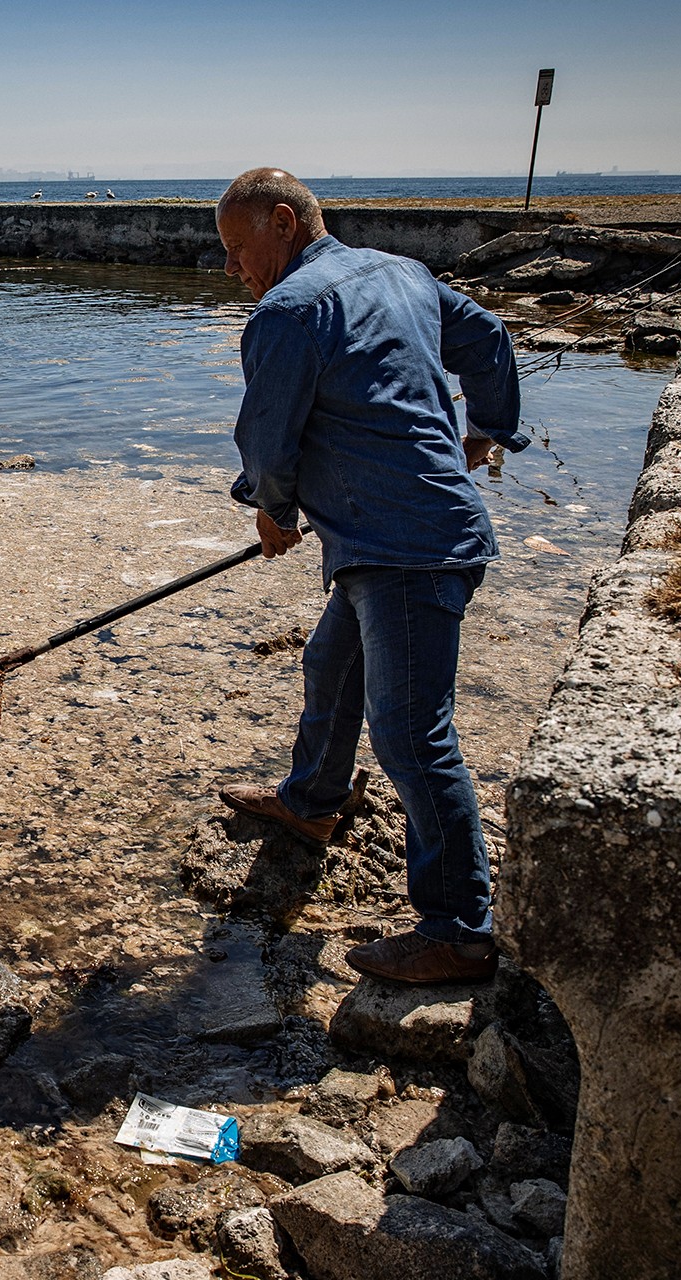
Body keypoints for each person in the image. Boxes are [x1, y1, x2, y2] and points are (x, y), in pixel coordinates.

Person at [210, 168, 527, 985]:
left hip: (409, 551)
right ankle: (312, 803)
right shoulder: (402, 272)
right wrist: (485, 433)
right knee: (331, 663)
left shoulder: (287, 311)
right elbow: (489, 340)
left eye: (240, 250)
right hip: (390, 538)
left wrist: (273, 509)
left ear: (284, 223)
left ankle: (459, 930)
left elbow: (269, 442)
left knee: (412, 737)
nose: (237, 270)